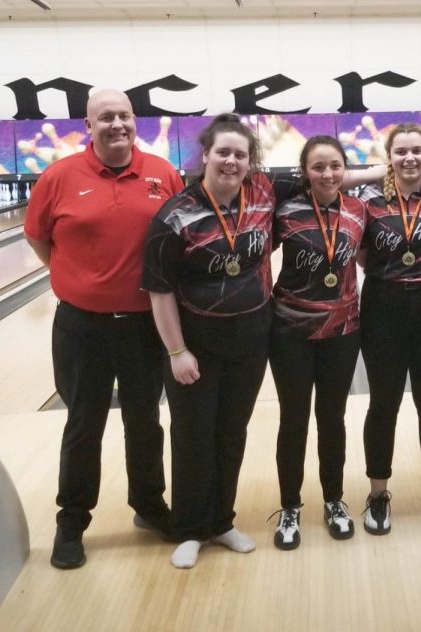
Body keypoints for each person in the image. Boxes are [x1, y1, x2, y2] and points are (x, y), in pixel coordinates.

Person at [24, 89, 183, 569]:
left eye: (125, 116)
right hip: (82, 327)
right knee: (82, 423)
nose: (118, 124)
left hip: (143, 326)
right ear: (88, 126)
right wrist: (80, 282)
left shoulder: (162, 173)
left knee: (144, 420)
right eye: (106, 117)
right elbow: (37, 237)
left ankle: (148, 505)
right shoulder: (59, 177)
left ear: (135, 121)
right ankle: (72, 520)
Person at [142, 115, 272, 568]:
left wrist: (391, 167)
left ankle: (221, 521)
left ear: (250, 161)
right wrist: (177, 351)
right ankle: (190, 528)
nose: (231, 161)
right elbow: (159, 290)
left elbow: (330, 174)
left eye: (240, 154)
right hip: (195, 344)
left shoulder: (261, 197)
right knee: (193, 435)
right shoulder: (174, 216)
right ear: (206, 156)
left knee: (231, 433)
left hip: (250, 342)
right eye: (223, 153)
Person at [357, 123, 421, 535]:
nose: (410, 158)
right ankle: (378, 494)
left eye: (417, 150)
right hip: (383, 305)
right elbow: (361, 254)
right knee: (384, 403)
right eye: (401, 152)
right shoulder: (369, 201)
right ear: (390, 157)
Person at [268, 135, 366, 550]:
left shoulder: (359, 210)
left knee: (333, 418)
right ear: (304, 171)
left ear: (346, 169)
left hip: (342, 331)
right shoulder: (283, 210)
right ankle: (290, 506)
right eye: (318, 167)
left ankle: (334, 500)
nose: (328, 174)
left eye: (335, 166)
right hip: (290, 330)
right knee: (293, 419)